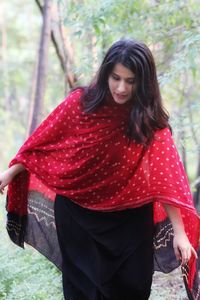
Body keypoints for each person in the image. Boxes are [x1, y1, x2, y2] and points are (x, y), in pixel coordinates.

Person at [0, 39, 200, 300]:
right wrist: (10, 172)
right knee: (84, 294)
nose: (121, 87)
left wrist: (181, 234)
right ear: (106, 73)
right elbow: (43, 143)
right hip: (78, 216)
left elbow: (167, 180)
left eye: (130, 81)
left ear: (144, 82)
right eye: (115, 78)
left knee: (134, 290)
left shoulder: (149, 119)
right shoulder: (81, 104)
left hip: (130, 221)